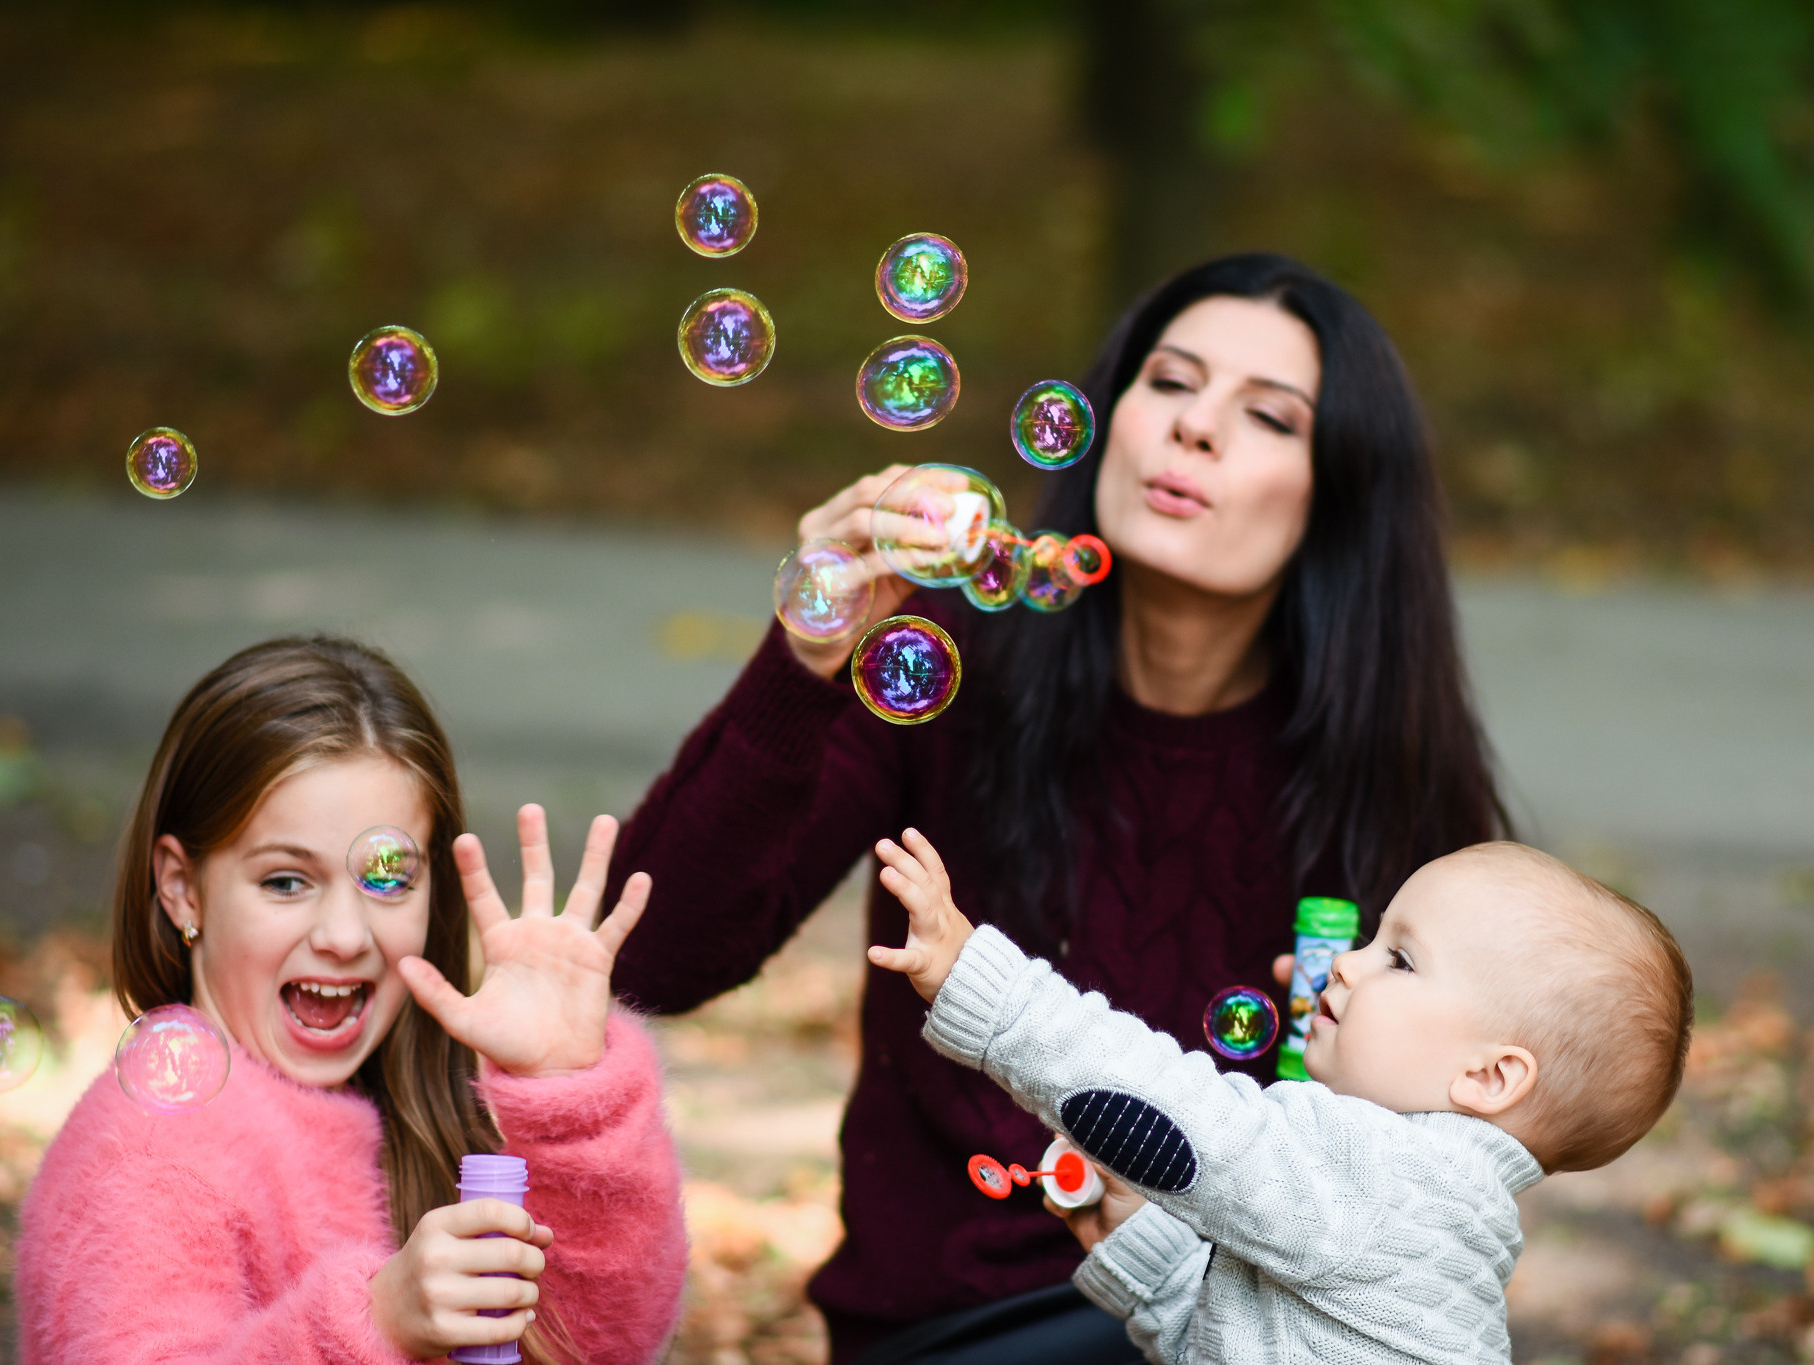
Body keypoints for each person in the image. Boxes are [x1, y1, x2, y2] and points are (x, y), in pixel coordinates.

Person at [607, 253, 1508, 1363]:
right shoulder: (941, 653)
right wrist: (801, 667)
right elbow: (651, 953)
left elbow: (1447, 1174)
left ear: (1341, 493)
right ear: (1108, 421)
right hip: (955, 1325)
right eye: (1168, 384)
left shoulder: (1387, 773)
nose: (1193, 430)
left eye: (1267, 418)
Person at [16, 636, 687, 1365]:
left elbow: (593, 1346)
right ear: (183, 887)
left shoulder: (419, 1107)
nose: (344, 935)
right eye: (284, 880)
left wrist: (566, 1101)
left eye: (387, 876)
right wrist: (373, 1325)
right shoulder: (149, 1143)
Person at [869, 827, 1694, 1365]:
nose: (1346, 963)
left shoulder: (1381, 1176)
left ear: (1488, 1077)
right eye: (1373, 937)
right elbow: (1244, 1342)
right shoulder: (1421, 1211)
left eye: (1399, 960)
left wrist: (989, 988)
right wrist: (1150, 1249)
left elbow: (1182, 1116)